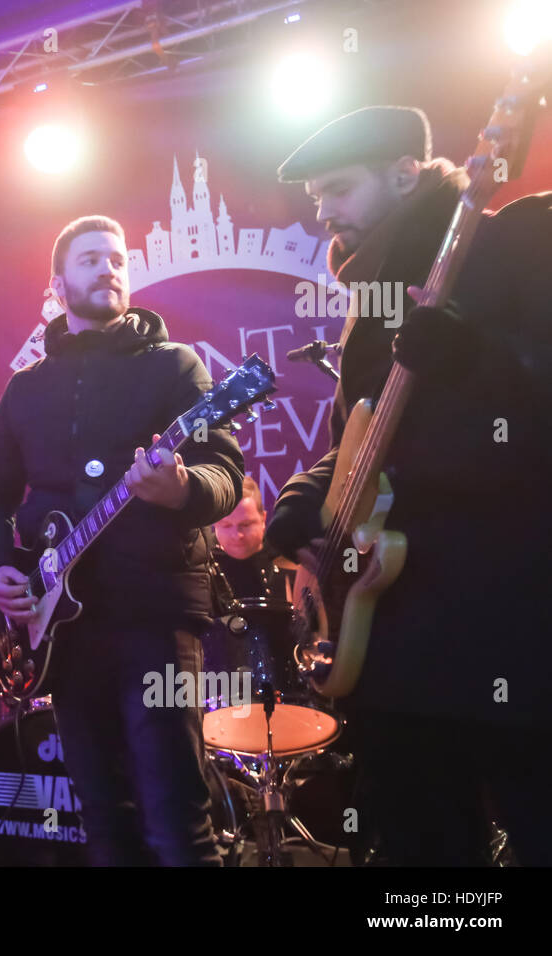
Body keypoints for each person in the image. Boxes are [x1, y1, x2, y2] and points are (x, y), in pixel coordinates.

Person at [265, 106, 552, 865]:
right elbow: (357, 443)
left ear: (405, 174)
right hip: (395, 650)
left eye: (338, 189)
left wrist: (476, 364)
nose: (321, 210)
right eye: (315, 196)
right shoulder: (369, 302)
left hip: (511, 632)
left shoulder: (511, 246)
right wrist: (301, 506)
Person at [0, 215, 244, 865]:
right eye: (89, 259)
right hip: (64, 632)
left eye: (117, 258)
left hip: (155, 613)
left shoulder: (175, 367)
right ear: (59, 284)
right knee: (103, 825)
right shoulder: (27, 388)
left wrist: (180, 489)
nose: (108, 267)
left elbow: (226, 476)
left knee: (176, 820)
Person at [209, 475, 290, 605]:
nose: (237, 535)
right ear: (214, 524)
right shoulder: (201, 561)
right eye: (226, 525)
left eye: (246, 524)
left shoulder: (287, 552)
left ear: (263, 519)